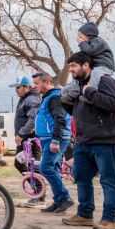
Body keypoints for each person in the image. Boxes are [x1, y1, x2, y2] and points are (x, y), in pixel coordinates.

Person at [61, 52, 115, 229]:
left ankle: (110, 219)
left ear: (86, 65)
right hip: (83, 141)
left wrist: (91, 92)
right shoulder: (78, 85)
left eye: (74, 66)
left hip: (105, 140)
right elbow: (75, 111)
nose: (71, 70)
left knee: (108, 180)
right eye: (69, 66)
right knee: (80, 176)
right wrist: (66, 101)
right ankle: (85, 215)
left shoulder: (105, 81)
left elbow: (112, 104)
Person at [32, 73, 74, 214]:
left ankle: (65, 197)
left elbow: (60, 119)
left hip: (55, 139)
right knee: (53, 169)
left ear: (47, 82)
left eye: (37, 83)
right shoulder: (48, 98)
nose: (34, 86)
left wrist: (56, 140)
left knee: (46, 168)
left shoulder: (55, 97)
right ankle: (58, 201)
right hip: (48, 139)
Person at [62, 22, 115, 104]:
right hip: (95, 64)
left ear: (89, 35)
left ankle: (90, 95)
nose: (78, 38)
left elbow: (90, 51)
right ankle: (72, 92)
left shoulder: (98, 41)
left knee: (95, 76)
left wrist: (81, 43)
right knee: (78, 73)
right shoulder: (88, 45)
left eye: (80, 36)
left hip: (104, 65)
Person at [10, 75, 41, 175]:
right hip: (25, 138)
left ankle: (38, 187)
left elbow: (33, 120)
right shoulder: (25, 98)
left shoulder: (31, 99)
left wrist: (21, 134)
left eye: (18, 87)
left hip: (31, 138)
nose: (16, 90)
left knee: (33, 166)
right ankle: (36, 187)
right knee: (21, 163)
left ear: (27, 87)